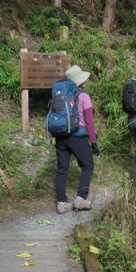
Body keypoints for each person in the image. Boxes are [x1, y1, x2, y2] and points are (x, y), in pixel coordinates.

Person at [55, 65, 99, 214]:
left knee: (62, 170)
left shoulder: (60, 95)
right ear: (81, 81)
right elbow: (89, 121)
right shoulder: (84, 96)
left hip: (61, 135)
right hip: (77, 136)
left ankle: (61, 203)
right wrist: (93, 142)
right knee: (88, 166)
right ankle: (80, 198)